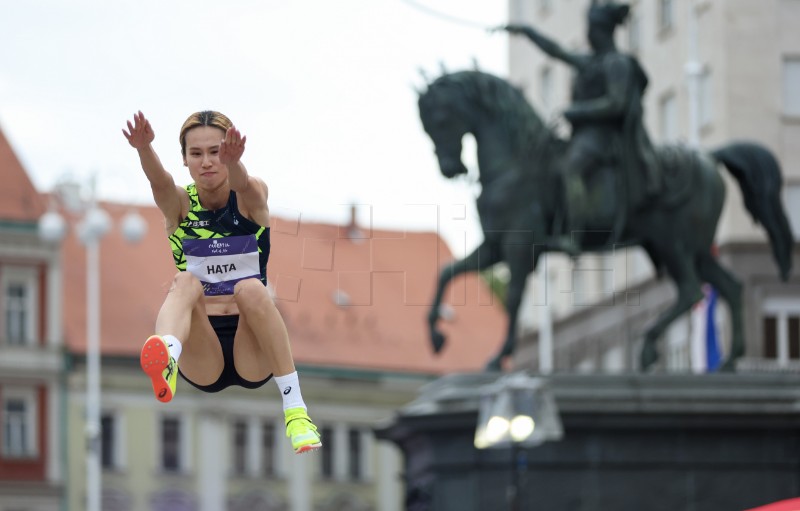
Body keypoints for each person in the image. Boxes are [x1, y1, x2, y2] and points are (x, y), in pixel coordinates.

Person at [122, 110, 321, 454]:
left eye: (215, 152)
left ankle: (296, 412)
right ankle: (167, 355)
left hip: (253, 345)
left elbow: (244, 184)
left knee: (251, 287)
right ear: (184, 160)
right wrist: (144, 149)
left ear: (229, 151)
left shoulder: (250, 195)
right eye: (196, 154)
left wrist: (237, 164)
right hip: (202, 349)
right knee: (184, 282)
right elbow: (160, 184)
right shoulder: (180, 205)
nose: (207, 162)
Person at [497, 1, 661, 254]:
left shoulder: (616, 63)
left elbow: (616, 104)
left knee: (571, 168)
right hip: (583, 136)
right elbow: (556, 51)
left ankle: (575, 234)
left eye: (592, 29)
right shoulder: (590, 62)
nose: (589, 34)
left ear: (603, 31)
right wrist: (527, 31)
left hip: (604, 138)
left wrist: (576, 111)